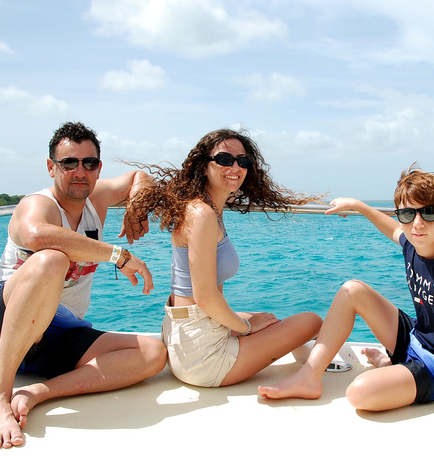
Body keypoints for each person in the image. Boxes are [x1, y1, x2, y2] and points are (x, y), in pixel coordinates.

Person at [258, 167, 434, 449]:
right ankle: (309, 377)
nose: (417, 223)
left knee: (360, 394)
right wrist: (358, 205)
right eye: (408, 214)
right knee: (352, 290)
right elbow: (392, 229)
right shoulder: (414, 242)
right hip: (417, 338)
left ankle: (396, 366)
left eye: (429, 212)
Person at [0, 122, 167, 449]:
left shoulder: (97, 198)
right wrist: (117, 255)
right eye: (68, 163)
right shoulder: (39, 204)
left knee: (152, 353)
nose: (79, 171)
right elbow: (35, 235)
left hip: (56, 333)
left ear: (98, 168)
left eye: (89, 163)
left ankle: (36, 393)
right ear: (51, 168)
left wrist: (138, 202)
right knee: (51, 260)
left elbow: (138, 178)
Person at [129, 128, 322, 388]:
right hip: (202, 357)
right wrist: (246, 328)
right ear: (203, 165)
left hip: (186, 337)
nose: (235, 166)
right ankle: (310, 375)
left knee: (267, 318)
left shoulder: (206, 208)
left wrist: (247, 323)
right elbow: (206, 297)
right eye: (224, 159)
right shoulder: (202, 215)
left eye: (242, 161)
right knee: (311, 321)